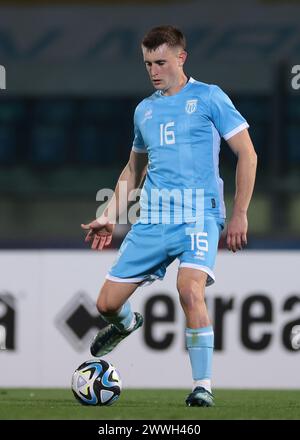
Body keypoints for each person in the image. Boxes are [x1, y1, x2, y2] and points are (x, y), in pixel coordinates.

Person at [81, 25, 257, 407]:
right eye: (147, 64)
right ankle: (127, 323)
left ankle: (203, 386)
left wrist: (240, 213)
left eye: (160, 61)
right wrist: (109, 214)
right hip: (154, 218)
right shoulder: (144, 110)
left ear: (182, 58)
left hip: (200, 214)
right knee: (106, 305)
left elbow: (248, 153)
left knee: (189, 289)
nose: (153, 70)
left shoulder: (210, 97)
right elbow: (133, 171)